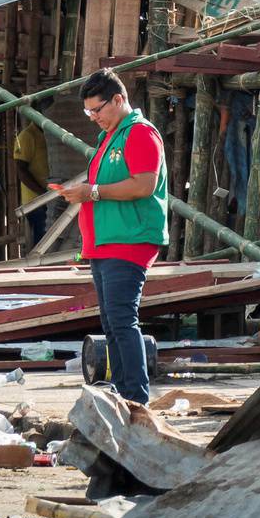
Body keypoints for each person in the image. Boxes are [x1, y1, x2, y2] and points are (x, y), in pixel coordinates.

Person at [52, 70, 166, 404]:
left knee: (121, 319)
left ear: (119, 99)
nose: (94, 118)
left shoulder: (140, 133)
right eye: (89, 112)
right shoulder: (111, 136)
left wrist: (93, 193)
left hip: (129, 239)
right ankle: (123, 395)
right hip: (106, 243)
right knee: (112, 323)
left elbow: (143, 184)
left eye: (98, 110)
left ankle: (135, 400)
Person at [12, 119, 51, 242]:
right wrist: (43, 194)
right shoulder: (27, 136)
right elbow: (21, 171)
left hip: (50, 197)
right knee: (42, 240)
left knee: (51, 238)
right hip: (36, 201)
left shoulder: (49, 133)